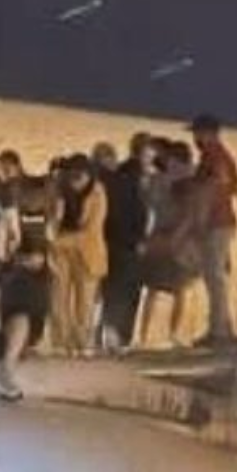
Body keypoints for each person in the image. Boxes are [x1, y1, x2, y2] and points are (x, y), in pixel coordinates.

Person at [0, 165, 55, 402]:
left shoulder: (23, 215)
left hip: (25, 279)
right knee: (21, 322)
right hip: (23, 280)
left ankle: (4, 376)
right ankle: (5, 376)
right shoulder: (24, 216)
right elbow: (2, 250)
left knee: (21, 327)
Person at [135, 141, 201, 349]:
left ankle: (162, 334)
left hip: (176, 239)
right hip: (167, 237)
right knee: (161, 287)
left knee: (172, 288)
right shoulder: (163, 179)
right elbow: (150, 201)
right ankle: (149, 335)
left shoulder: (184, 181)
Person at [188, 113, 237, 346]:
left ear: (208, 134)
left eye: (197, 134)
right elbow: (235, 188)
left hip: (216, 223)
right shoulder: (219, 156)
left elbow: (213, 186)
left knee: (214, 277)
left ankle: (219, 331)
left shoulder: (214, 156)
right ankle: (222, 327)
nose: (195, 139)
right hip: (221, 222)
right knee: (215, 277)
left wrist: (200, 218)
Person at [97, 134, 154, 351]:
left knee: (112, 289)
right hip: (128, 242)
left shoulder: (119, 174)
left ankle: (106, 335)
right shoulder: (133, 176)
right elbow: (137, 210)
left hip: (113, 240)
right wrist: (139, 239)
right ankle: (118, 338)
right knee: (126, 290)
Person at [49, 154, 108, 354]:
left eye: (80, 177)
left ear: (88, 176)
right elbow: (50, 220)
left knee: (85, 301)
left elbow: (92, 229)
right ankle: (61, 342)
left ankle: (83, 343)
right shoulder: (58, 189)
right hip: (61, 253)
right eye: (72, 176)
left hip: (87, 251)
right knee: (59, 298)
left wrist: (58, 241)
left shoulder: (97, 193)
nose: (75, 182)